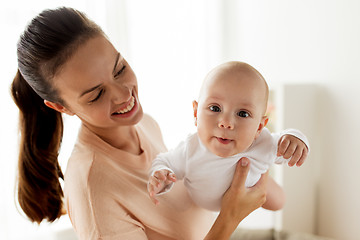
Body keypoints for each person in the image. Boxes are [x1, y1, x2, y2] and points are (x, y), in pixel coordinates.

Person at [11, 7, 269, 240]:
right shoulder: (94, 190)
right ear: (61, 107)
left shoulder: (145, 124)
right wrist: (230, 217)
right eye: (97, 94)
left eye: (119, 69)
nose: (124, 95)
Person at [148, 61, 309, 211]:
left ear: (259, 127)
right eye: (215, 108)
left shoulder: (262, 142)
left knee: (278, 202)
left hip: (252, 185)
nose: (226, 123)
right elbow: (164, 160)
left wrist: (296, 139)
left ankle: (261, 177)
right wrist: (161, 174)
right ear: (196, 113)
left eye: (242, 113)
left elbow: (285, 141)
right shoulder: (191, 148)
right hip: (200, 200)